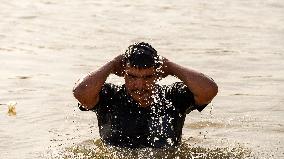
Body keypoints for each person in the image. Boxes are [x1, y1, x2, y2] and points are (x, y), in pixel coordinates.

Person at [73, 42, 218, 148]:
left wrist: (172, 67)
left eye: (148, 77)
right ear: (123, 74)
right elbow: (80, 92)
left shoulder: (172, 97)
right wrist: (111, 65)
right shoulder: (110, 97)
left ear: (158, 75)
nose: (140, 86)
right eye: (132, 77)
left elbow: (209, 90)